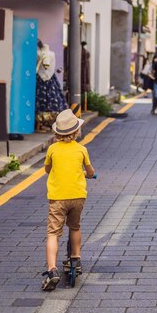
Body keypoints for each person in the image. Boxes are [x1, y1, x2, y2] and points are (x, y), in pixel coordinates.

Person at [41, 109, 96, 291]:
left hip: (58, 198)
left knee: (53, 233)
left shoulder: (52, 149)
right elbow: (90, 171)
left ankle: (52, 269)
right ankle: (76, 258)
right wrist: (89, 175)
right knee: (75, 227)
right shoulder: (82, 150)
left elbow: (47, 169)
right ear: (76, 131)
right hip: (78, 197)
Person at [35, 41, 68, 132]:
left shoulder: (41, 53)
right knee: (51, 100)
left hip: (41, 78)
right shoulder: (48, 53)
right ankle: (43, 124)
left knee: (41, 99)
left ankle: (43, 124)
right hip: (48, 78)